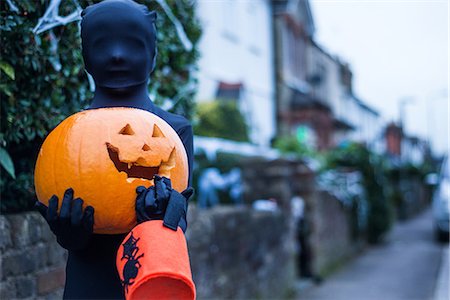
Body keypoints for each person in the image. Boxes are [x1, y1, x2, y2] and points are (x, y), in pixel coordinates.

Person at [35, 0, 194, 298]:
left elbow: (180, 220)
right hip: (89, 283)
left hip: (153, 280)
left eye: (132, 44)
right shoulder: (68, 135)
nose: (117, 55)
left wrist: (164, 216)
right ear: (85, 55)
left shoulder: (174, 130)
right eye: (102, 45)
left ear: (153, 52)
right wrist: (69, 233)